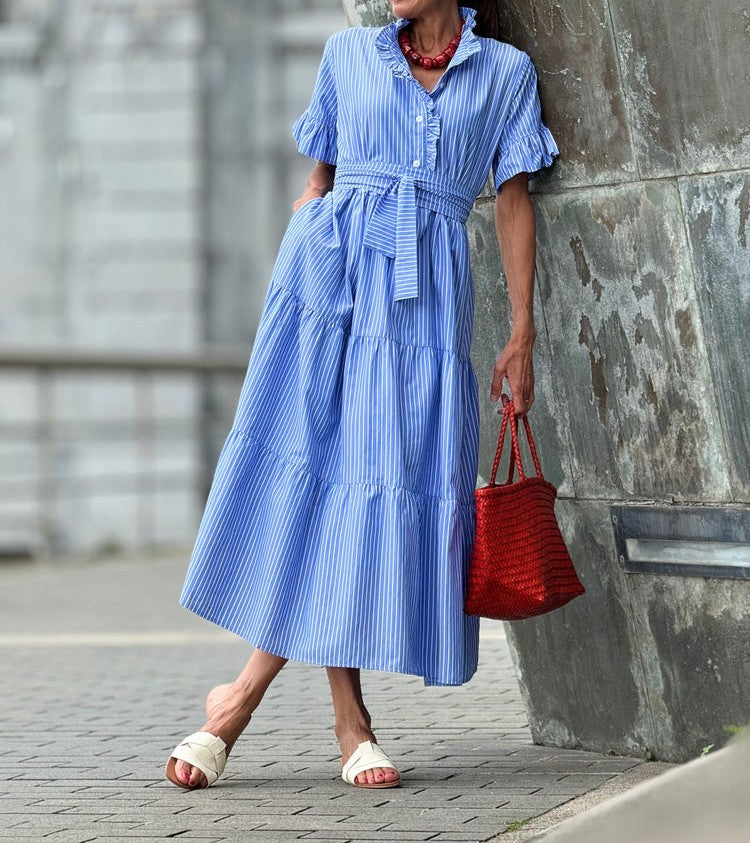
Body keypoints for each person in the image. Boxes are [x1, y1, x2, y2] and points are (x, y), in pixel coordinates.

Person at [165, 0, 558, 791]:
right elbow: (321, 177)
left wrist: (522, 330)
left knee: (366, 491)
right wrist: (308, 242)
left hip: (424, 306)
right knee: (323, 483)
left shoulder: (505, 73)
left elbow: (513, 201)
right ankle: (339, 721)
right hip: (328, 288)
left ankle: (244, 697)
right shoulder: (347, 55)